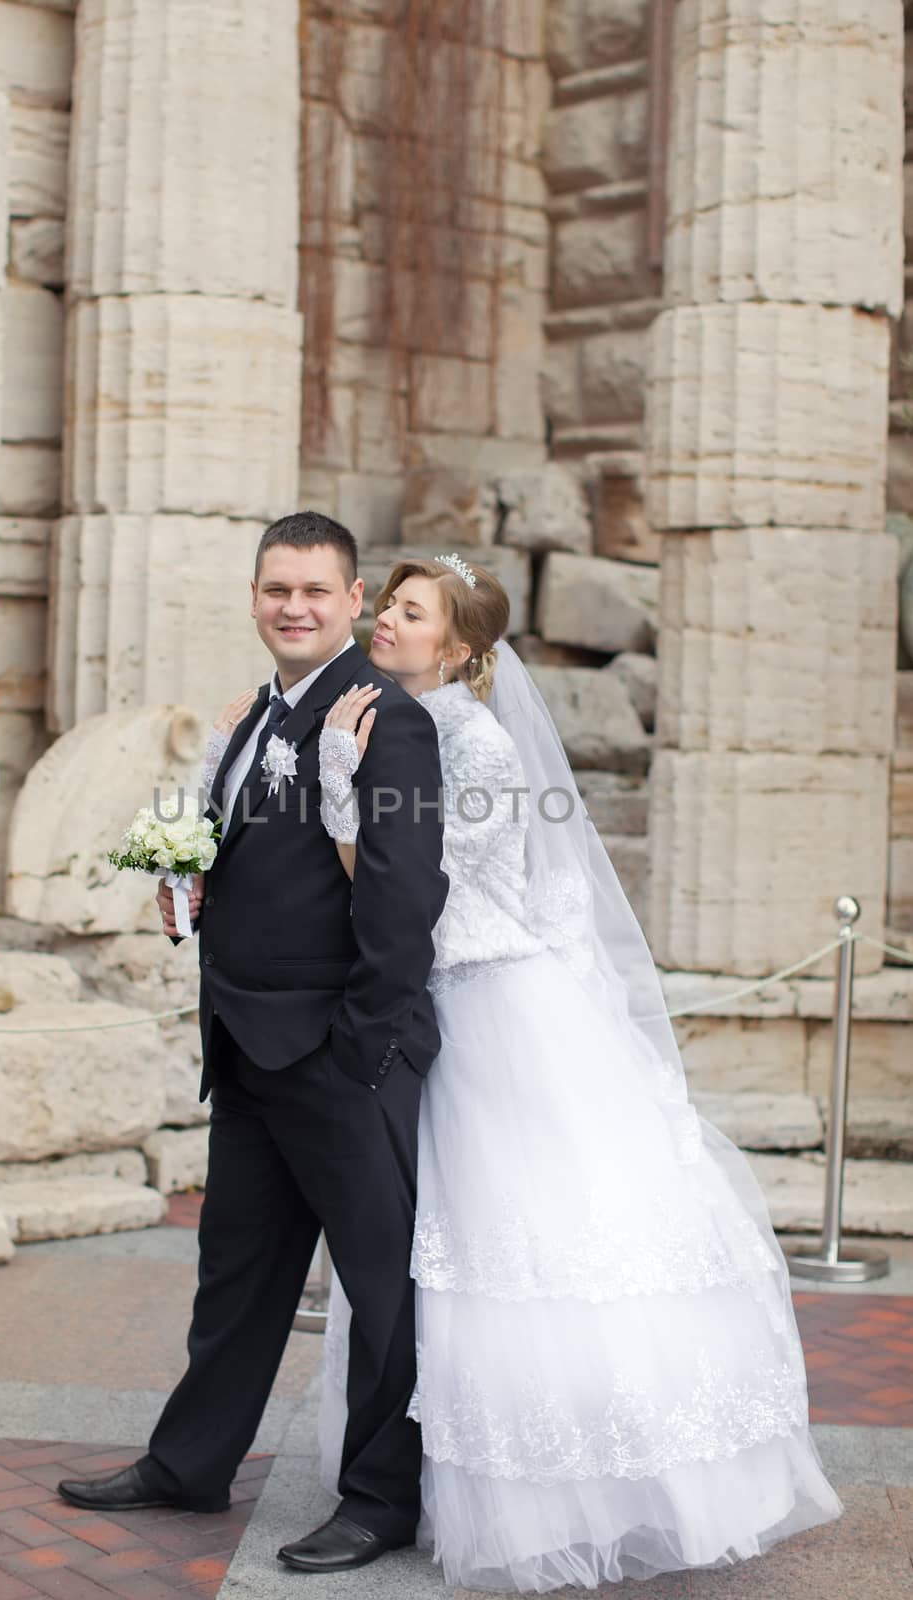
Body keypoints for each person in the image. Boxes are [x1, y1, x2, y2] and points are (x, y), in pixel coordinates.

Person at [306, 553, 842, 1591]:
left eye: (406, 611)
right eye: (384, 603)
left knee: (510, 1243)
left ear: (456, 647)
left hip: (484, 1005)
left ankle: (564, 1486)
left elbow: (408, 891)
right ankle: (415, 1467)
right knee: (443, 1248)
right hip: (456, 999)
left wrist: (337, 781)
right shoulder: (409, 721)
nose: (381, 620)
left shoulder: (468, 740)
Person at [58, 513, 449, 1576]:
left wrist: (361, 1050)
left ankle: (378, 1499)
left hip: (339, 1055)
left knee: (380, 1287)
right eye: (277, 588)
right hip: (244, 1045)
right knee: (234, 1274)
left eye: (315, 591)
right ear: (252, 596)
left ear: (352, 598)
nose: (294, 606)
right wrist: (189, 891)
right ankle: (187, 1462)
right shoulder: (255, 718)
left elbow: (405, 896)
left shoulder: (387, 722)